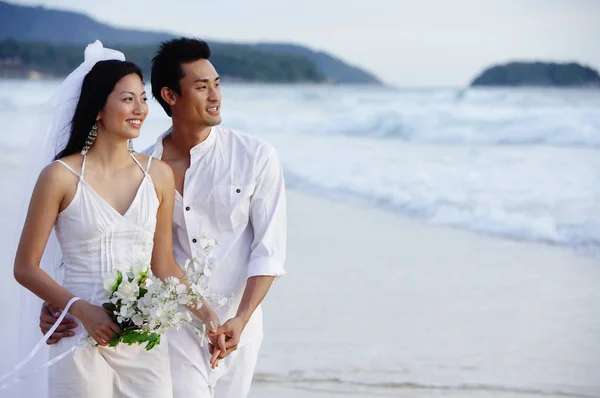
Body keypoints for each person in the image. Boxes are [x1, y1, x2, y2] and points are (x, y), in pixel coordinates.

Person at [42, 37, 287, 397]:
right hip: (168, 326)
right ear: (171, 96)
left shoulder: (256, 157)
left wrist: (241, 318)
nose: (215, 96)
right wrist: (65, 302)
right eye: (202, 87)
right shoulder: (141, 169)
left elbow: (269, 250)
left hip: (238, 323)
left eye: (217, 84)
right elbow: (111, 243)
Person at [12, 41, 220, 398]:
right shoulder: (59, 177)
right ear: (97, 108)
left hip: (143, 339)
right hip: (79, 334)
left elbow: (164, 263)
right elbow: (26, 268)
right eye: (127, 99)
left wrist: (208, 316)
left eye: (143, 98)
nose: (140, 109)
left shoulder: (158, 175)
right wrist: (82, 311)